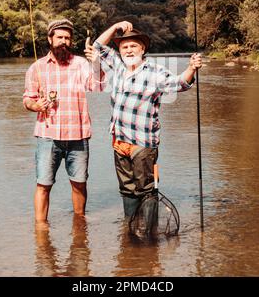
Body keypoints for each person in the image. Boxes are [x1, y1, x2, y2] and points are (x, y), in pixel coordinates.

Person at [84, 21, 202, 217]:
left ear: (142, 48)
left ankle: (148, 237)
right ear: (120, 51)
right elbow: (97, 47)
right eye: (124, 47)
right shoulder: (119, 66)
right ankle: (131, 230)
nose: (129, 50)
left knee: (146, 190)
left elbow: (179, 84)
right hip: (119, 142)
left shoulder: (155, 72)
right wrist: (115, 27)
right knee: (127, 190)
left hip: (143, 144)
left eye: (133, 46)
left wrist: (191, 68)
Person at [23, 18, 102, 222]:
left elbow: (97, 86)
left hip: (78, 135)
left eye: (67, 38)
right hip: (47, 136)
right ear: (50, 39)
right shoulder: (37, 67)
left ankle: (79, 224)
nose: (63, 41)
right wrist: (35, 105)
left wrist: (96, 62)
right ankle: (41, 228)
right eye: (59, 37)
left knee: (79, 183)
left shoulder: (81, 64)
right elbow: (28, 99)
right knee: (43, 184)